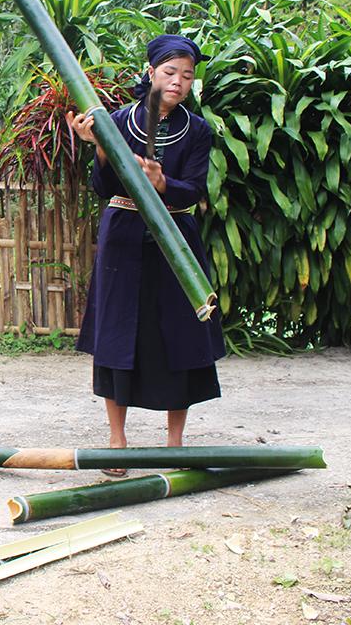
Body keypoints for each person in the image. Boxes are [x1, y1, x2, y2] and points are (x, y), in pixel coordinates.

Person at [65, 34, 225, 474]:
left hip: (176, 238)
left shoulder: (199, 130)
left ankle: (175, 444)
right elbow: (103, 187)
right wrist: (100, 146)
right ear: (151, 72)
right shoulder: (115, 121)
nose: (178, 82)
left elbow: (194, 189)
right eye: (170, 72)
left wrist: (163, 183)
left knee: (182, 334)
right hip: (124, 235)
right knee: (118, 335)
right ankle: (117, 441)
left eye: (187, 76)